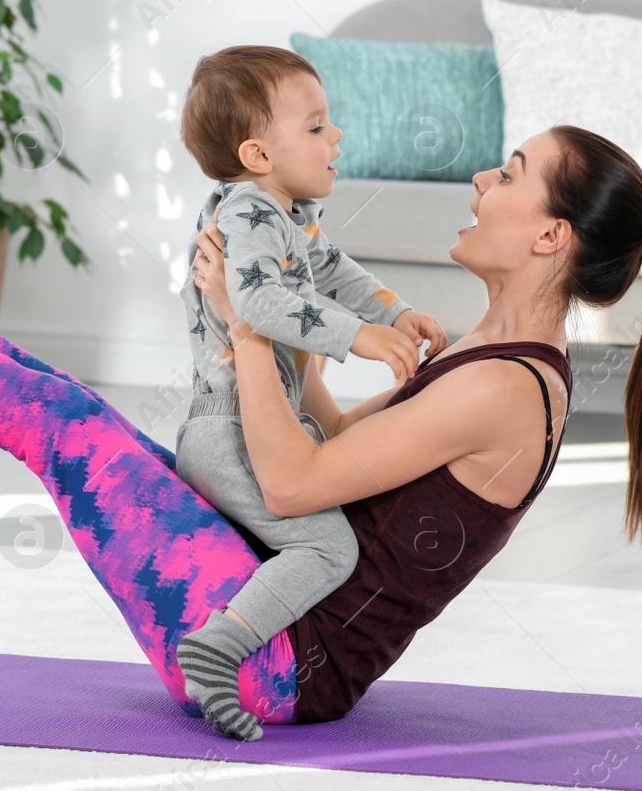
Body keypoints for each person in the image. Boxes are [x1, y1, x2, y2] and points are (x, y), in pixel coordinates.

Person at [0, 78, 642, 734]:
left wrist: (246, 323)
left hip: (277, 659)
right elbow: (344, 453)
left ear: (550, 239)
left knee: (58, 426)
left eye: (512, 174)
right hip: (273, 583)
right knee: (58, 401)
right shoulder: (490, 351)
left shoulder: (501, 386)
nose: (484, 178)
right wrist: (302, 355)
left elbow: (292, 476)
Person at [171, 46, 449, 741]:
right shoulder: (247, 216)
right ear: (259, 154)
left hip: (258, 421)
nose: (337, 137)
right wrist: (360, 338)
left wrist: (393, 311)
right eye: (318, 126)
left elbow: (333, 270)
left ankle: (255, 632)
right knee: (330, 549)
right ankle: (221, 646)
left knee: (339, 509)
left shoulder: (288, 215)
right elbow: (258, 305)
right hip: (230, 429)